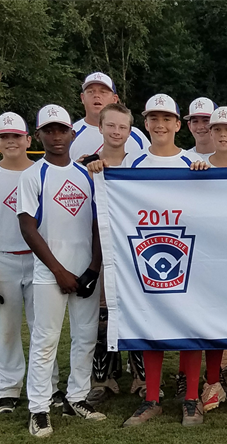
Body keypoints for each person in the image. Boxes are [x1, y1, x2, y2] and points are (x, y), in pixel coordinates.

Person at [118, 94, 211, 428]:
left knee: (189, 325)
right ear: (146, 124)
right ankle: (152, 399)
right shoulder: (134, 164)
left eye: (166, 119)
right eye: (153, 119)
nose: (159, 125)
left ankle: (190, 399)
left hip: (188, 253)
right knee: (151, 324)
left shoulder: (194, 164)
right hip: (147, 251)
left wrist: (207, 174)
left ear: (177, 124)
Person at [18, 104, 106, 438]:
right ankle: (39, 408)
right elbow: (28, 228)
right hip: (49, 273)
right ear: (38, 135)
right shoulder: (33, 175)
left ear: (72, 133)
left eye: (61, 130)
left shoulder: (86, 174)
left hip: (85, 271)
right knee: (45, 340)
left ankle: (77, 397)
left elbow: (99, 224)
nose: (56, 137)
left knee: (85, 338)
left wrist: (94, 267)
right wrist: (58, 271)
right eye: (49, 131)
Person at [0, 112, 60, 415]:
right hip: (3, 260)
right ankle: (8, 389)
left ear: (28, 140)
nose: (11, 141)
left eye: (16, 136)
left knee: (43, 328)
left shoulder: (41, 173)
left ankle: (50, 386)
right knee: (5, 329)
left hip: (38, 261)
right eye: (4, 137)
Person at [80, 103, 139, 405]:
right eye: (111, 125)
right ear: (100, 127)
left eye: (123, 127)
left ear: (130, 130)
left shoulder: (139, 164)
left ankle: (140, 374)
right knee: (102, 311)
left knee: (137, 307)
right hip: (98, 247)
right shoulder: (86, 166)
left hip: (132, 249)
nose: (116, 132)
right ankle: (102, 376)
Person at [197, 106, 227, 412]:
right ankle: (212, 381)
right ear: (210, 133)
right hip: (209, 256)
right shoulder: (196, 166)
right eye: (218, 129)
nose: (223, 134)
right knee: (211, 321)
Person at [70, 72, 150, 161]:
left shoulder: (136, 136)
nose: (96, 95)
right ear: (82, 98)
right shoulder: (69, 134)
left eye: (103, 92)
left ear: (114, 99)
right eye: (90, 91)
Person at [185, 97, 217, 162]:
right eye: (195, 121)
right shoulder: (184, 158)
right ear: (189, 126)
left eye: (205, 121)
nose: (200, 127)